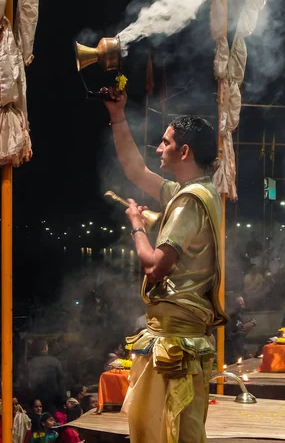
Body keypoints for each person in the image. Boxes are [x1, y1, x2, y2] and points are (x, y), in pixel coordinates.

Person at [103, 88, 228, 443]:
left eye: (165, 142)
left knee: (163, 429)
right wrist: (117, 115)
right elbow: (134, 169)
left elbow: (155, 266)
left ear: (184, 151)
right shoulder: (195, 190)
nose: (158, 149)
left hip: (175, 336)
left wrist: (137, 226)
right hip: (182, 332)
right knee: (175, 427)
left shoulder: (189, 199)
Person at [24, 339, 66, 414]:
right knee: (50, 420)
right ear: (45, 348)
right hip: (52, 400)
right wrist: (63, 399)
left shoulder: (29, 364)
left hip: (35, 401)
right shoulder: (55, 362)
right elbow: (61, 381)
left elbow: (26, 384)